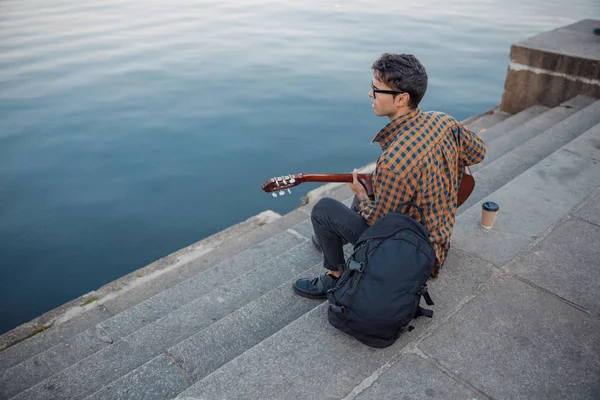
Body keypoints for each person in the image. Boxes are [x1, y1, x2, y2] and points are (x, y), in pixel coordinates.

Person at [292, 53, 487, 299]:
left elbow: (379, 225)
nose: (369, 95)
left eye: (376, 90)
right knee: (372, 186)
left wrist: (362, 196)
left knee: (324, 209)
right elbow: (478, 153)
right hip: (438, 239)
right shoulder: (444, 121)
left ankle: (335, 276)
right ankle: (333, 236)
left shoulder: (394, 163)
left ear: (402, 98)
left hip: (414, 258)